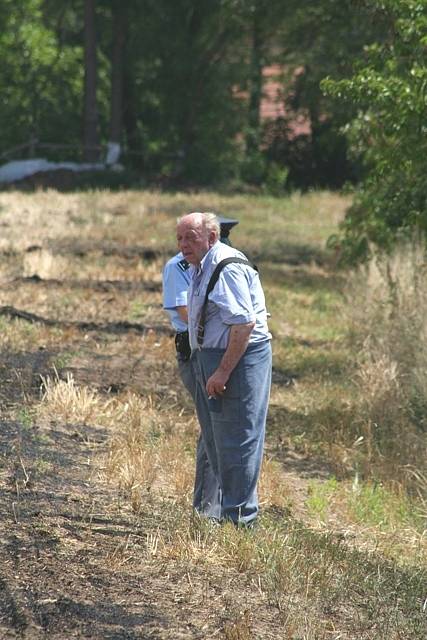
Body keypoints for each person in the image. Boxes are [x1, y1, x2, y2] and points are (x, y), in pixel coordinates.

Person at [176, 211, 272, 527]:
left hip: (237, 360)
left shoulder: (225, 267)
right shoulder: (200, 266)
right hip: (212, 357)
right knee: (217, 441)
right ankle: (231, 515)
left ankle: (241, 522)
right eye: (179, 238)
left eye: (190, 237)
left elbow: (244, 324)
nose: (183, 244)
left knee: (238, 440)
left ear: (212, 237)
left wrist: (222, 372)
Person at [162, 216, 239, 520]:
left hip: (224, 349)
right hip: (197, 352)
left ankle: (229, 506)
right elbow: (187, 311)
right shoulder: (180, 266)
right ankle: (208, 511)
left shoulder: (226, 263)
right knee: (212, 428)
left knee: (225, 427)